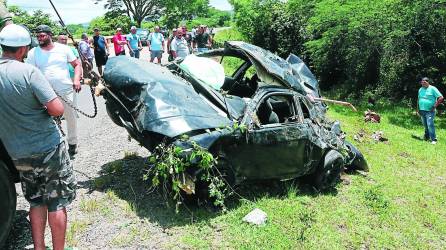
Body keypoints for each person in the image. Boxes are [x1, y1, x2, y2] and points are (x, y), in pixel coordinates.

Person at [0, 23, 76, 250]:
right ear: (23, 49)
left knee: (35, 201)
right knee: (57, 202)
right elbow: (57, 109)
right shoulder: (28, 72)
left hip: (17, 153)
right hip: (47, 148)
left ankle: (39, 247)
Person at [26, 24, 82, 156]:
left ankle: (73, 143)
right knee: (48, 120)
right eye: (38, 36)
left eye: (42, 35)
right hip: (45, 93)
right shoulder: (33, 53)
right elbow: (30, 73)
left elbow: (77, 64)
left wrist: (76, 80)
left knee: (71, 117)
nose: (39, 38)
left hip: (66, 90)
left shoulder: (63, 49)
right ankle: (56, 145)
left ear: (50, 35)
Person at [417, 77, 444, 144]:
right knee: (425, 125)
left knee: (430, 124)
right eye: (422, 82)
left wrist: (435, 106)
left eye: (424, 82)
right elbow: (418, 99)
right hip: (422, 110)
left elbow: (441, 97)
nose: (423, 84)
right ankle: (426, 136)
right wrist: (417, 109)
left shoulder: (433, 88)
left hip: (430, 111)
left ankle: (434, 139)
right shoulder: (420, 89)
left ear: (428, 82)